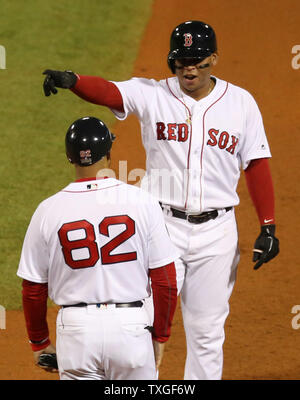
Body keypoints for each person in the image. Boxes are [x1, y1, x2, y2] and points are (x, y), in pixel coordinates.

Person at [42, 20, 280, 380]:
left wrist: (268, 225)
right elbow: (110, 93)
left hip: (217, 235)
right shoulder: (153, 93)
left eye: (197, 61)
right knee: (142, 324)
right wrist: (72, 80)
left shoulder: (241, 104)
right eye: (181, 60)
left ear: (213, 59)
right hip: (160, 228)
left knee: (207, 333)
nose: (188, 69)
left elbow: (256, 163)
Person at [17, 116, 178, 380]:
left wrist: (39, 342)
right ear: (109, 154)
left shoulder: (48, 210)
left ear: (70, 158)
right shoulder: (142, 201)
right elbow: (166, 280)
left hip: (77, 332)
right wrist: (160, 336)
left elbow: (33, 288)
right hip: (130, 327)